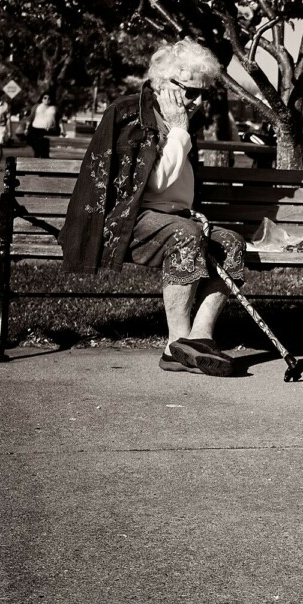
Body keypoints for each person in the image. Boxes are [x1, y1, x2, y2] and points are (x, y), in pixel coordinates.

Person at [60, 38, 245, 376]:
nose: (198, 101)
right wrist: (178, 132)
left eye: (203, 93)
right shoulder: (132, 114)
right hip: (128, 222)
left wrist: (189, 206)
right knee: (186, 236)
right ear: (165, 83)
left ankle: (200, 340)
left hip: (172, 220)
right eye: (191, 92)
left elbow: (176, 188)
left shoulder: (180, 118)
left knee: (231, 243)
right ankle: (177, 344)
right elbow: (153, 185)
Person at [25, 92, 60, 158]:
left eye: (49, 98)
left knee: (46, 149)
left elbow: (59, 120)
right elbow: (30, 118)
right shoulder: (37, 106)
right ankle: (37, 162)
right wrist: (26, 128)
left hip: (49, 130)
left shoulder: (54, 108)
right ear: (42, 99)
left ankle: (44, 164)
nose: (47, 99)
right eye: (45, 98)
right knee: (37, 148)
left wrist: (61, 130)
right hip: (36, 129)